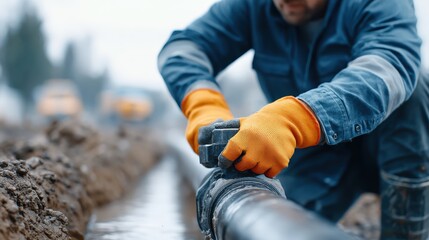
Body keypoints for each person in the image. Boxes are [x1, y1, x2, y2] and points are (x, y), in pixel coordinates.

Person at [158, 0, 429, 238]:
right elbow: (183, 48)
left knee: (412, 89)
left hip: (389, 146)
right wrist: (203, 104)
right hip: (312, 155)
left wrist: (294, 119)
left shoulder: (379, 4)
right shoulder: (254, 6)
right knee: (269, 224)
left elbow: (388, 66)